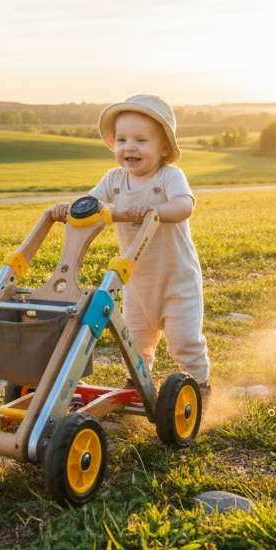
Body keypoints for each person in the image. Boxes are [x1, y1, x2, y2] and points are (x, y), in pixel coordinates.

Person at [51, 95, 211, 404]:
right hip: (137, 284)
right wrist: (68, 210)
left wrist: (155, 209)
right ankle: (139, 382)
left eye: (141, 140)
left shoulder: (168, 176)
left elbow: (184, 205)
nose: (129, 147)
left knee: (184, 341)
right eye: (122, 139)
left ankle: (199, 387)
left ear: (164, 148)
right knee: (134, 341)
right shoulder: (114, 180)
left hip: (177, 281)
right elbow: (91, 207)